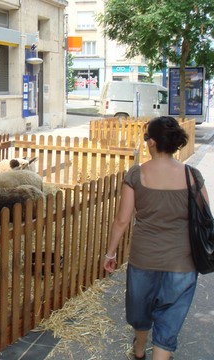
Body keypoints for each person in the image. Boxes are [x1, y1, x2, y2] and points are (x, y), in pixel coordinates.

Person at [104, 116, 209, 360]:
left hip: (143, 259)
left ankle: (139, 351)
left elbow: (122, 219)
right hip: (182, 263)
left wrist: (110, 253)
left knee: (140, 310)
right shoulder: (192, 176)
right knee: (169, 321)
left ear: (151, 142)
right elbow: (205, 217)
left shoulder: (136, 174)